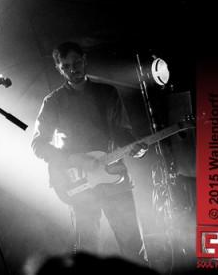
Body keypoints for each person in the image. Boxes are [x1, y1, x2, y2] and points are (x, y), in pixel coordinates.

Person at [30, 42, 150, 266]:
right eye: (66, 66)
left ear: (85, 60)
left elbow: (123, 132)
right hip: (79, 183)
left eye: (76, 63)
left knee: (133, 247)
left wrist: (136, 148)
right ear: (59, 69)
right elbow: (38, 144)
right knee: (87, 253)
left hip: (115, 177)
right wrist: (72, 159)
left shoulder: (107, 92)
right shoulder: (53, 101)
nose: (73, 69)